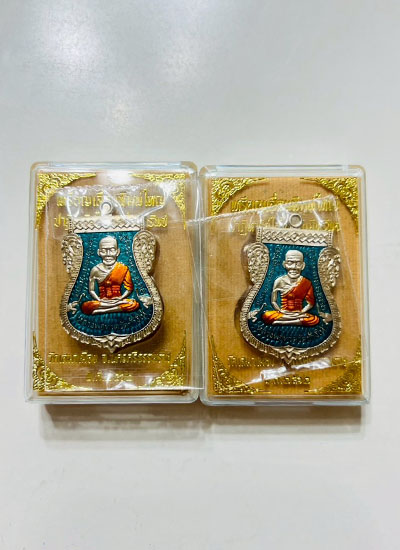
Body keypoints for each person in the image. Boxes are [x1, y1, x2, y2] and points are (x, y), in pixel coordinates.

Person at [81, 236, 140, 315]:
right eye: (104, 251)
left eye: (112, 250)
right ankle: (114, 306)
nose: (108, 254)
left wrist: (120, 298)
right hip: (102, 301)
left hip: (118, 299)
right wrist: (99, 299)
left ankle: (104, 310)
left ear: (117, 252)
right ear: (98, 252)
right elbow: (91, 290)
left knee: (133, 304)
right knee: (86, 306)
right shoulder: (95, 270)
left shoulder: (123, 268)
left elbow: (129, 289)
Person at [262, 250, 319, 326]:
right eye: (290, 263)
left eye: (298, 264)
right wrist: (280, 310)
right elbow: (273, 301)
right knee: (266, 315)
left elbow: (311, 304)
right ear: (284, 264)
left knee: (314, 319)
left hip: (298, 313)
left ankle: (283, 322)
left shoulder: (306, 282)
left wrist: (301, 312)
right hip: (284, 313)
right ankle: (296, 321)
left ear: (303, 265)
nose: (294, 267)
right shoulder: (279, 281)